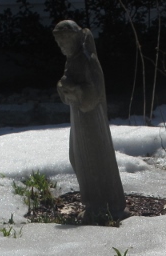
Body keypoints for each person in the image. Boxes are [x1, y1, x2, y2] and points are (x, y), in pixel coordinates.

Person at [53, 20, 127, 224]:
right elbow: (68, 82)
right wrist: (63, 87)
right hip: (79, 118)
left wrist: (77, 91)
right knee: (78, 157)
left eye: (64, 42)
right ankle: (94, 203)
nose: (62, 47)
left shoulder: (87, 60)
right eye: (59, 44)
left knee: (93, 158)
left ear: (76, 39)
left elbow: (95, 92)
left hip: (91, 120)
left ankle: (104, 204)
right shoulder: (72, 60)